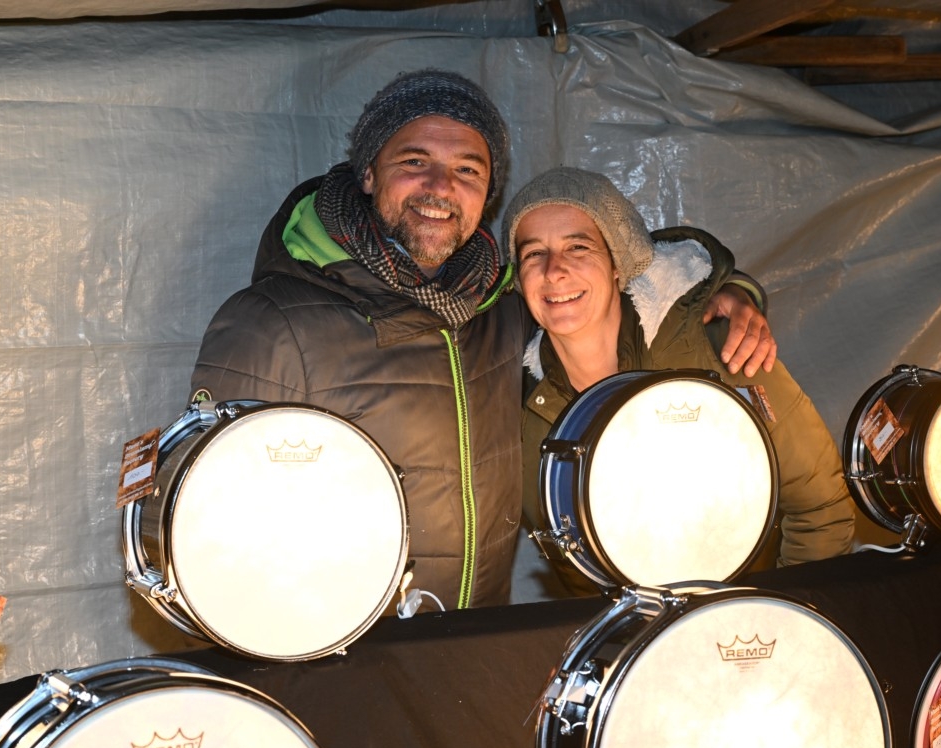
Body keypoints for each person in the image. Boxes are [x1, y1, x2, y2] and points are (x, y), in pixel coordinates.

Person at [190, 70, 775, 611]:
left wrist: (733, 292)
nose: (441, 186)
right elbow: (205, 532)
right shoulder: (271, 322)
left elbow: (623, 265)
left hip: (479, 640)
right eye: (414, 160)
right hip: (342, 658)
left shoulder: (499, 304)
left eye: (468, 169)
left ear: (488, 193)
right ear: (368, 172)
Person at [501, 167, 854, 593]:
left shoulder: (722, 348)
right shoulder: (523, 408)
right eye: (534, 254)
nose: (554, 270)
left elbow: (821, 509)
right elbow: (581, 576)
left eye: (579, 247)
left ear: (618, 264)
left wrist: (774, 618)